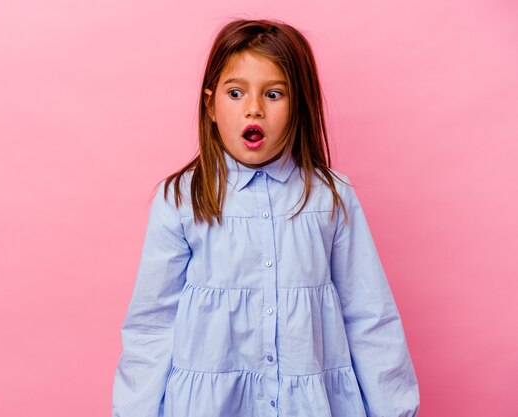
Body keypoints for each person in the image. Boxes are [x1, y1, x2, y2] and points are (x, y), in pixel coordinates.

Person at [111, 18, 420, 417]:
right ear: (210, 106)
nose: (253, 108)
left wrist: (394, 410)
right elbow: (152, 324)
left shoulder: (331, 197)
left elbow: (370, 316)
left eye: (273, 94)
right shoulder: (181, 200)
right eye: (236, 93)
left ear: (299, 106)